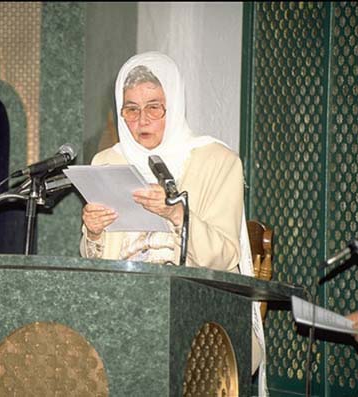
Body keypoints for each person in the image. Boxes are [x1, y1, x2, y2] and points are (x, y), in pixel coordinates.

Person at [79, 52, 268, 394]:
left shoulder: (218, 160)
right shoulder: (108, 160)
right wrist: (93, 231)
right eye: (131, 109)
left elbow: (224, 258)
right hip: (124, 304)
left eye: (154, 107)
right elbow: (97, 263)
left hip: (203, 309)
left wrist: (178, 216)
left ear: (175, 105)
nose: (142, 120)